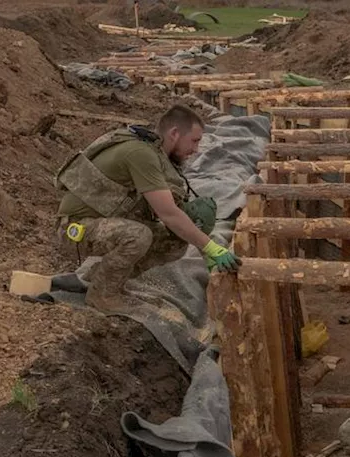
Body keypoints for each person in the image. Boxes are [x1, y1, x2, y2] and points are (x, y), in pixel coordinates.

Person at [54, 104, 239, 313]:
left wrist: (201, 243)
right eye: (194, 141)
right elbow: (169, 214)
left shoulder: (152, 151)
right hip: (75, 228)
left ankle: (102, 280)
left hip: (102, 221)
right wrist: (211, 248)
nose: (196, 149)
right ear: (175, 134)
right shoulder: (141, 154)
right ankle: (102, 296)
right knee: (139, 236)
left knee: (174, 241)